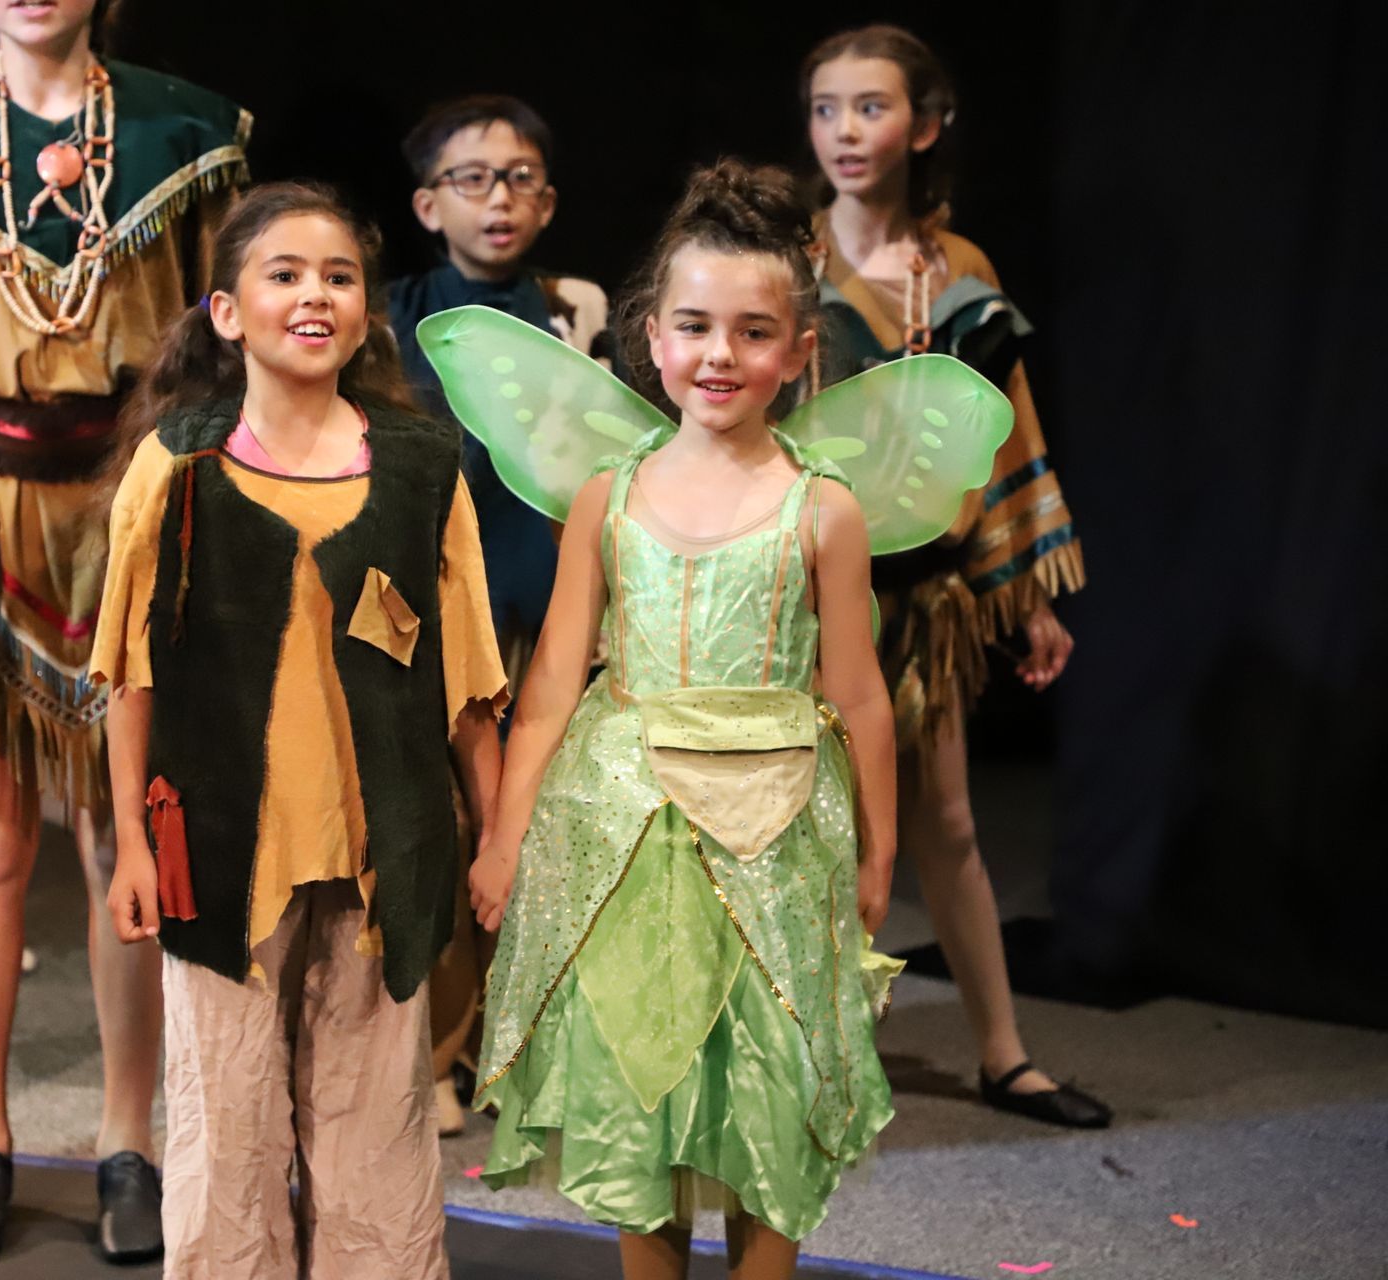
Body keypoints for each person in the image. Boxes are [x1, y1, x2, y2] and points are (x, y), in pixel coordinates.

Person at [0, 0, 249, 1261]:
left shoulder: (182, 133)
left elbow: (208, 348)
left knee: (121, 839)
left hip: (126, 509)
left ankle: (127, 1136)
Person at [471, 160, 896, 1280]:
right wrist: (508, 835)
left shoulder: (825, 509)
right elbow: (555, 679)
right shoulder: (609, 498)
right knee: (638, 1085)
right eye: (696, 326)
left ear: (800, 352)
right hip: (627, 834)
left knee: (770, 1084)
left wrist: (879, 846)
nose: (721, 354)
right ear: (650, 339)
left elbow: (857, 692)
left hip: (779, 835)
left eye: (754, 332)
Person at [94, 182, 507, 1280]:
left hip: (386, 846)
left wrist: (501, 835)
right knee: (226, 1133)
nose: (314, 295)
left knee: (377, 1130)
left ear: (369, 309)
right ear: (228, 311)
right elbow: (128, 675)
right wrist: (132, 844)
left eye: (339, 276)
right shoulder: (179, 463)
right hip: (224, 850)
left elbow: (470, 681)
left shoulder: (421, 467)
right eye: (284, 274)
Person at [800, 23, 1109, 1128]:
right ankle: (809, 1058)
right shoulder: (791, 267)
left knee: (949, 822)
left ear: (924, 125)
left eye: (871, 107)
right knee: (812, 826)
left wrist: (1022, 595)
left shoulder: (958, 270)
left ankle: (1003, 1051)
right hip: (808, 594)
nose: (846, 131)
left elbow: (1003, 435)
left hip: (924, 596)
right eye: (828, 108)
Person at [384, 93, 613, 1135]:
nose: (499, 199)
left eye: (519, 177)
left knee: (544, 824)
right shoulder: (391, 313)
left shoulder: (579, 309)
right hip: (433, 611)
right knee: (444, 826)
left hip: (546, 599)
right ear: (431, 204)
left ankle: (529, 1048)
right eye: (472, 180)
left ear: (550, 198)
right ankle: (438, 1050)